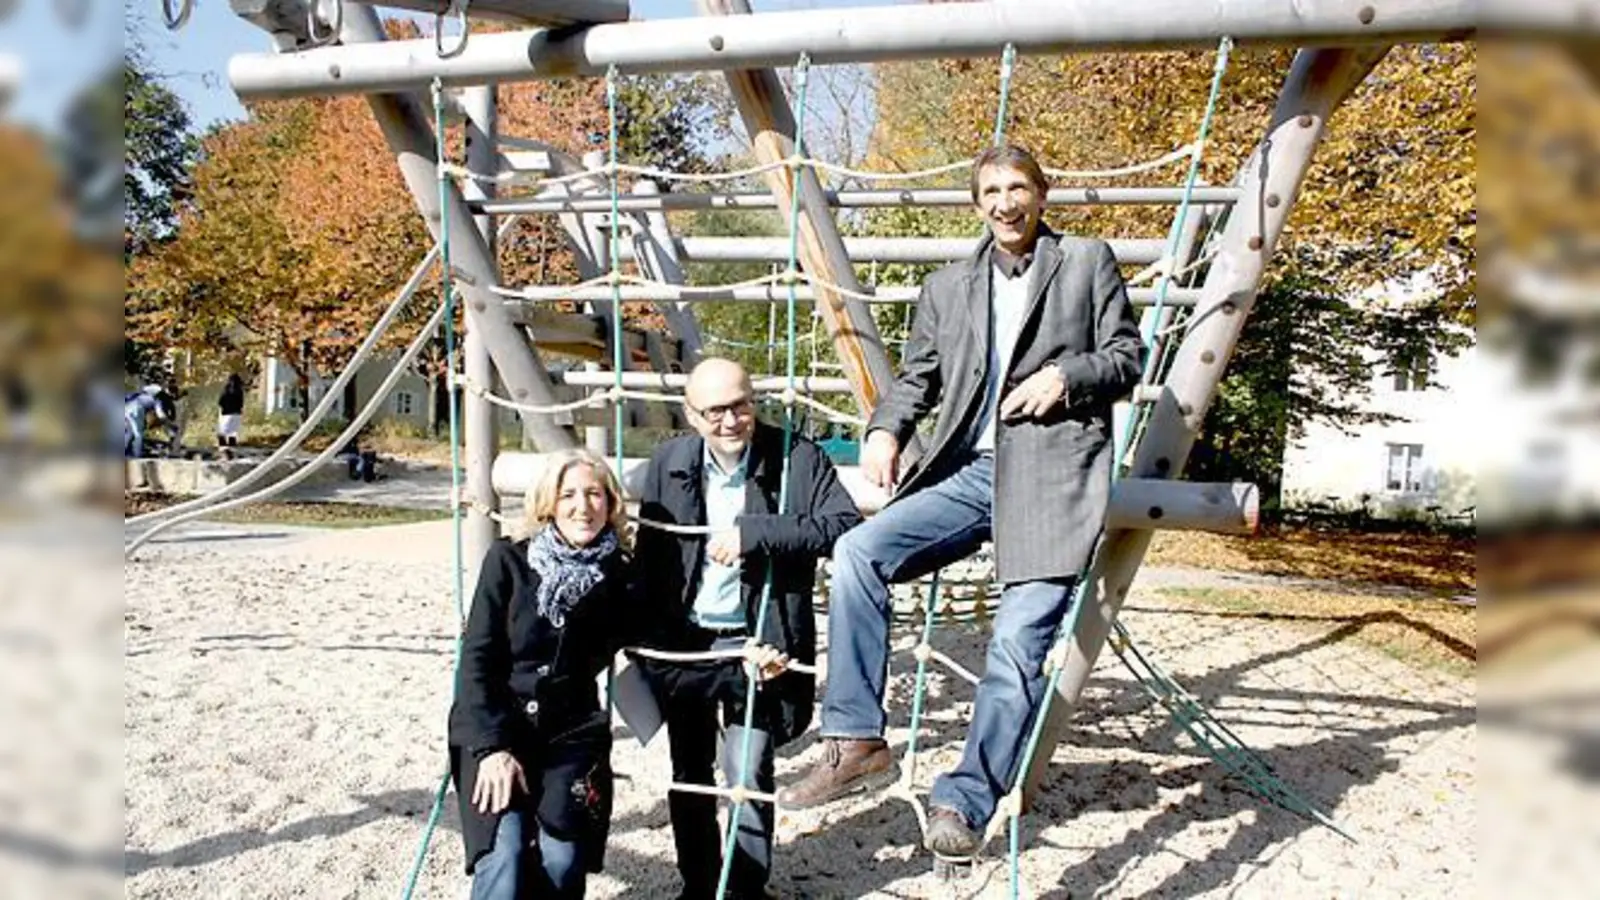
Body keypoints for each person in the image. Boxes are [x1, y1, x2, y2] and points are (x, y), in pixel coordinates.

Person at [778, 145, 1146, 858]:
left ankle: (966, 802)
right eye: (990, 191)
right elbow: (919, 377)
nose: (1005, 203)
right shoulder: (948, 285)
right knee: (857, 550)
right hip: (969, 472)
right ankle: (855, 737)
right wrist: (885, 430)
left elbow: (1127, 355)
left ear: (1042, 194)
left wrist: (1067, 377)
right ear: (976, 203)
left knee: (1014, 648)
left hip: (1050, 477)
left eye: (1018, 188)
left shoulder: (1086, 262)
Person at [631, 357, 862, 900]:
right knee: (688, 770)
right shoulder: (669, 461)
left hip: (759, 638)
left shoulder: (796, 455)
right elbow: (650, 558)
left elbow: (843, 526)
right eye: (716, 411)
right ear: (691, 415)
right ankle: (698, 883)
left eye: (742, 404)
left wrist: (755, 534)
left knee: (748, 768)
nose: (732, 420)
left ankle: (745, 888)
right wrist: (640, 644)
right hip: (687, 640)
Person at [448, 448, 633, 900]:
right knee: (504, 854)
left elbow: (667, 635)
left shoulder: (621, 575)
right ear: (548, 503)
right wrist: (492, 748)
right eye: (567, 494)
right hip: (498, 726)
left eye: (594, 494)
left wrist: (743, 651)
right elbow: (478, 660)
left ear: (610, 503)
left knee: (562, 858)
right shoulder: (508, 562)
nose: (582, 506)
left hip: (571, 735)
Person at [123, 384, 167, 459]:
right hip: (136, 411)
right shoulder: (156, 400)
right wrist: (168, 423)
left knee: (129, 433)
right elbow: (160, 415)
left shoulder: (137, 395)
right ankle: (136, 455)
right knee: (138, 434)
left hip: (126, 409)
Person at [217, 373, 245, 455]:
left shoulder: (226, 389)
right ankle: (231, 451)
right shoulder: (239, 390)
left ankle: (223, 451)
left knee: (222, 433)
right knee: (232, 434)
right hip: (237, 414)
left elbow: (220, 402)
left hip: (226, 414)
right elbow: (241, 403)